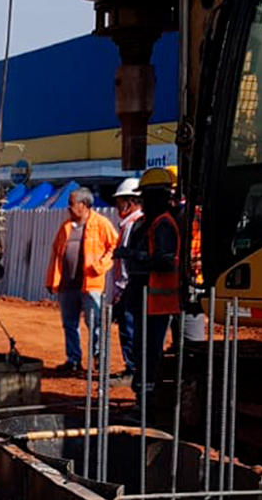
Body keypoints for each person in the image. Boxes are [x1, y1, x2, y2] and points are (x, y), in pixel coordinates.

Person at [114, 167, 181, 395]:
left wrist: (134, 255)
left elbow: (165, 261)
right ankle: (142, 398)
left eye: (149, 196)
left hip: (156, 303)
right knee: (141, 350)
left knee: (150, 352)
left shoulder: (163, 223)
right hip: (142, 299)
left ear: (161, 197)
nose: (145, 201)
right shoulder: (146, 223)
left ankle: (148, 404)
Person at [45, 187, 118, 376]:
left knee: (95, 325)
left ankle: (99, 361)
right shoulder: (66, 227)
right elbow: (56, 255)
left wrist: (100, 266)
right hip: (67, 286)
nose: (68, 207)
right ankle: (73, 360)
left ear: (83, 205)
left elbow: (114, 247)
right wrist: (52, 280)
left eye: (72, 203)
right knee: (69, 324)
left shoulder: (101, 224)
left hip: (91, 285)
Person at [109, 177, 143, 382]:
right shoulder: (129, 224)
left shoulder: (132, 225)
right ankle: (133, 367)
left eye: (120, 202)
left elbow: (126, 260)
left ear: (129, 202)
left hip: (128, 287)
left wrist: (121, 288)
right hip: (129, 286)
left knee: (129, 329)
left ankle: (133, 369)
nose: (117, 206)